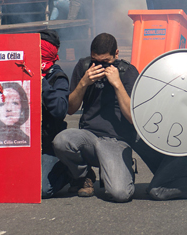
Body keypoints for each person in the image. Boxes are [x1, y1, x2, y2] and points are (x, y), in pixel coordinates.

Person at [53, 33, 139, 202]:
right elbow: (70, 109)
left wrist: (117, 84)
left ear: (116, 54)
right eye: (96, 61)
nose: (99, 66)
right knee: (61, 141)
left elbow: (132, 117)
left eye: (106, 62)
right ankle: (84, 176)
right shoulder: (84, 66)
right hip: (89, 136)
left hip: (116, 140)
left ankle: (123, 167)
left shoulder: (128, 72)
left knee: (119, 194)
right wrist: (84, 82)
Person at [38, 30, 72, 198]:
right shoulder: (21, 72)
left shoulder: (58, 77)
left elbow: (59, 110)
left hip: (48, 143)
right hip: (24, 142)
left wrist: (41, 83)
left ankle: (68, 170)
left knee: (42, 189)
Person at [0, 82, 30, 146]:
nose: (9, 108)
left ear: (22, 109)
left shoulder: (30, 142)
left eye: (15, 103)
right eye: (2, 104)